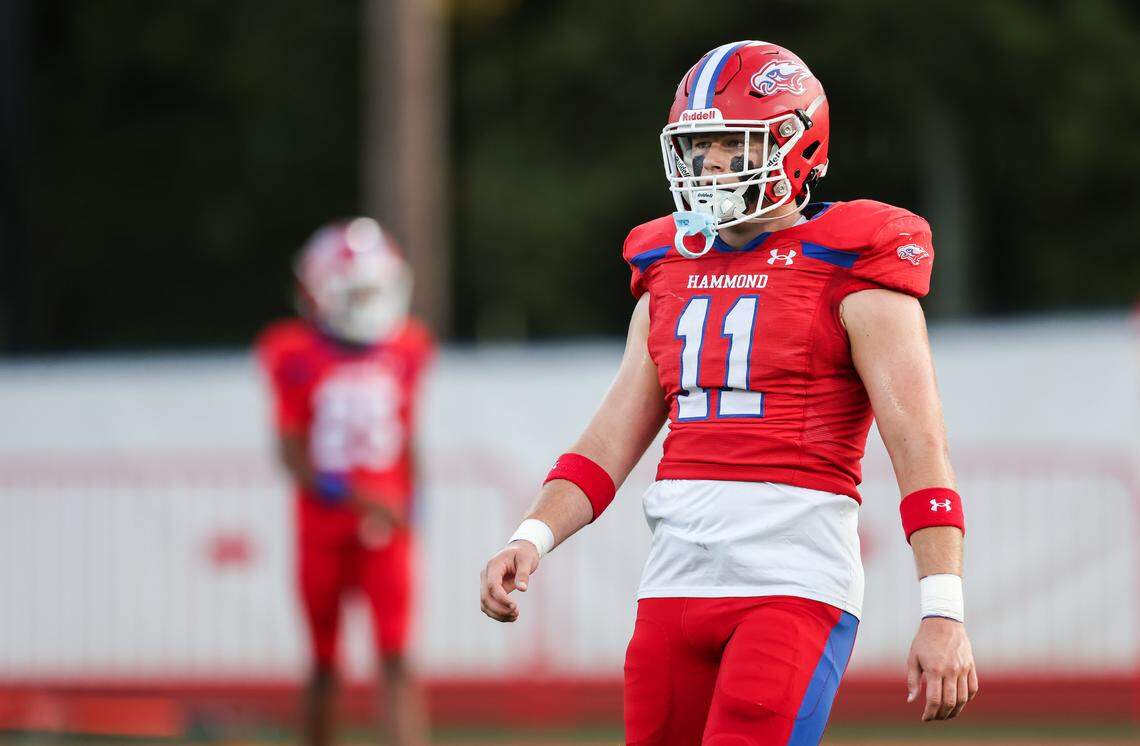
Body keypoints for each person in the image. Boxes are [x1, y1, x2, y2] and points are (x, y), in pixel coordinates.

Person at [479, 41, 977, 745]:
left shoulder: (855, 264)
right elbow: (609, 437)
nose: (709, 164)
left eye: (729, 143)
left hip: (791, 585)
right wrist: (531, 536)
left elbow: (921, 451)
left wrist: (944, 608)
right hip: (673, 584)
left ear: (796, 144)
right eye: (698, 144)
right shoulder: (666, 266)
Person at [257, 218, 433, 746]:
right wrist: (355, 496)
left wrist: (413, 502)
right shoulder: (290, 351)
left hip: (388, 523)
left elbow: (407, 435)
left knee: (398, 654)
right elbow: (290, 450)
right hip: (324, 523)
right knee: (323, 661)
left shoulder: (408, 346)